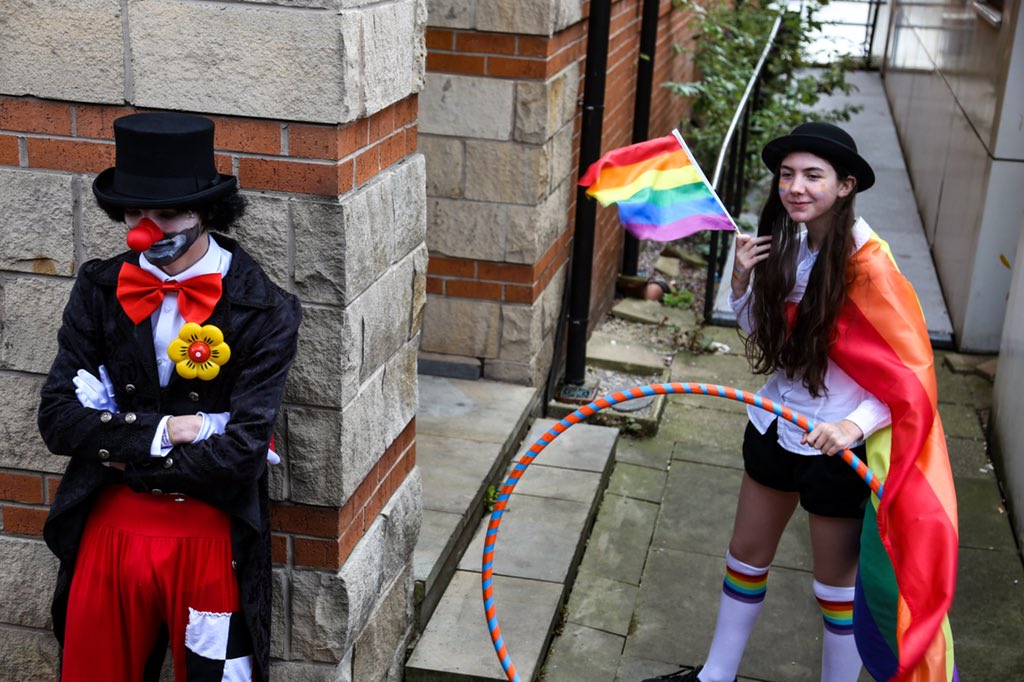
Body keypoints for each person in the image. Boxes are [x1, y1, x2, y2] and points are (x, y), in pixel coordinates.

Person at [38, 112, 301, 682]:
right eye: (134, 213)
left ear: (204, 211)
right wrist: (174, 429)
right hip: (107, 526)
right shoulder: (99, 287)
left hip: (209, 534)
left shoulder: (266, 308)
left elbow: (244, 449)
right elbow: (59, 422)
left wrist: (115, 436)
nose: (146, 229)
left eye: (167, 214)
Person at [643, 122, 892, 682]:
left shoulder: (871, 266)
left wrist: (853, 427)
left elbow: (906, 377)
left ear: (845, 186)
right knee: (745, 554)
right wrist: (740, 283)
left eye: (812, 176)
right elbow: (768, 343)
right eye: (787, 175)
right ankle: (716, 676)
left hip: (834, 444)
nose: (796, 187)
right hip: (774, 423)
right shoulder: (789, 244)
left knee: (835, 587)